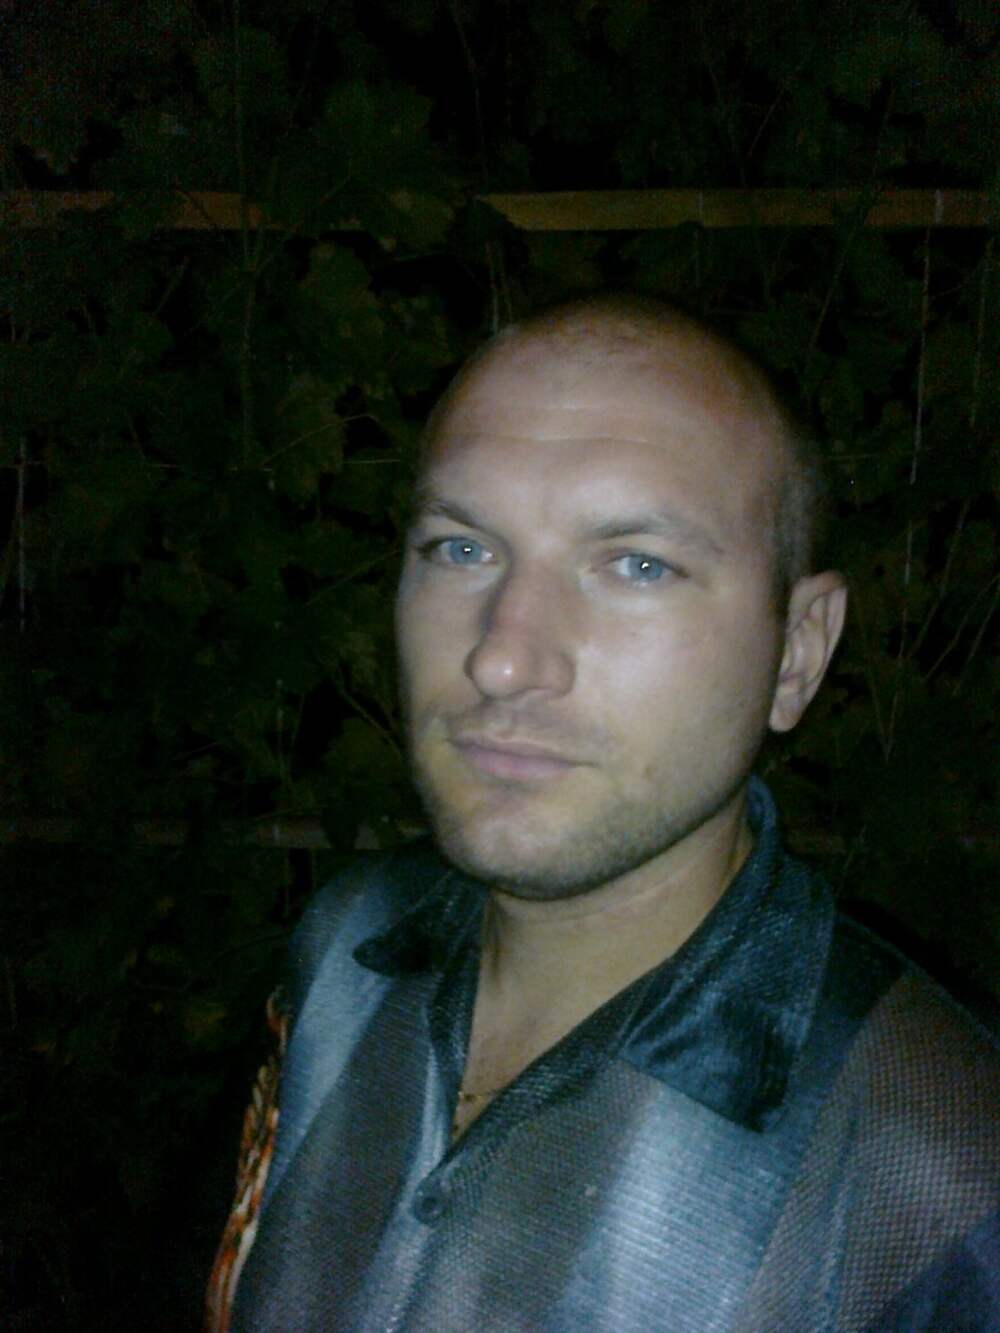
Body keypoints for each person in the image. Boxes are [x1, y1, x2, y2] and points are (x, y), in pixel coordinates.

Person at [207, 294, 1000, 1331]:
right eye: (460, 548)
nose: (501, 657)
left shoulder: (934, 1169)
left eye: (637, 564)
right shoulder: (346, 947)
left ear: (797, 652)